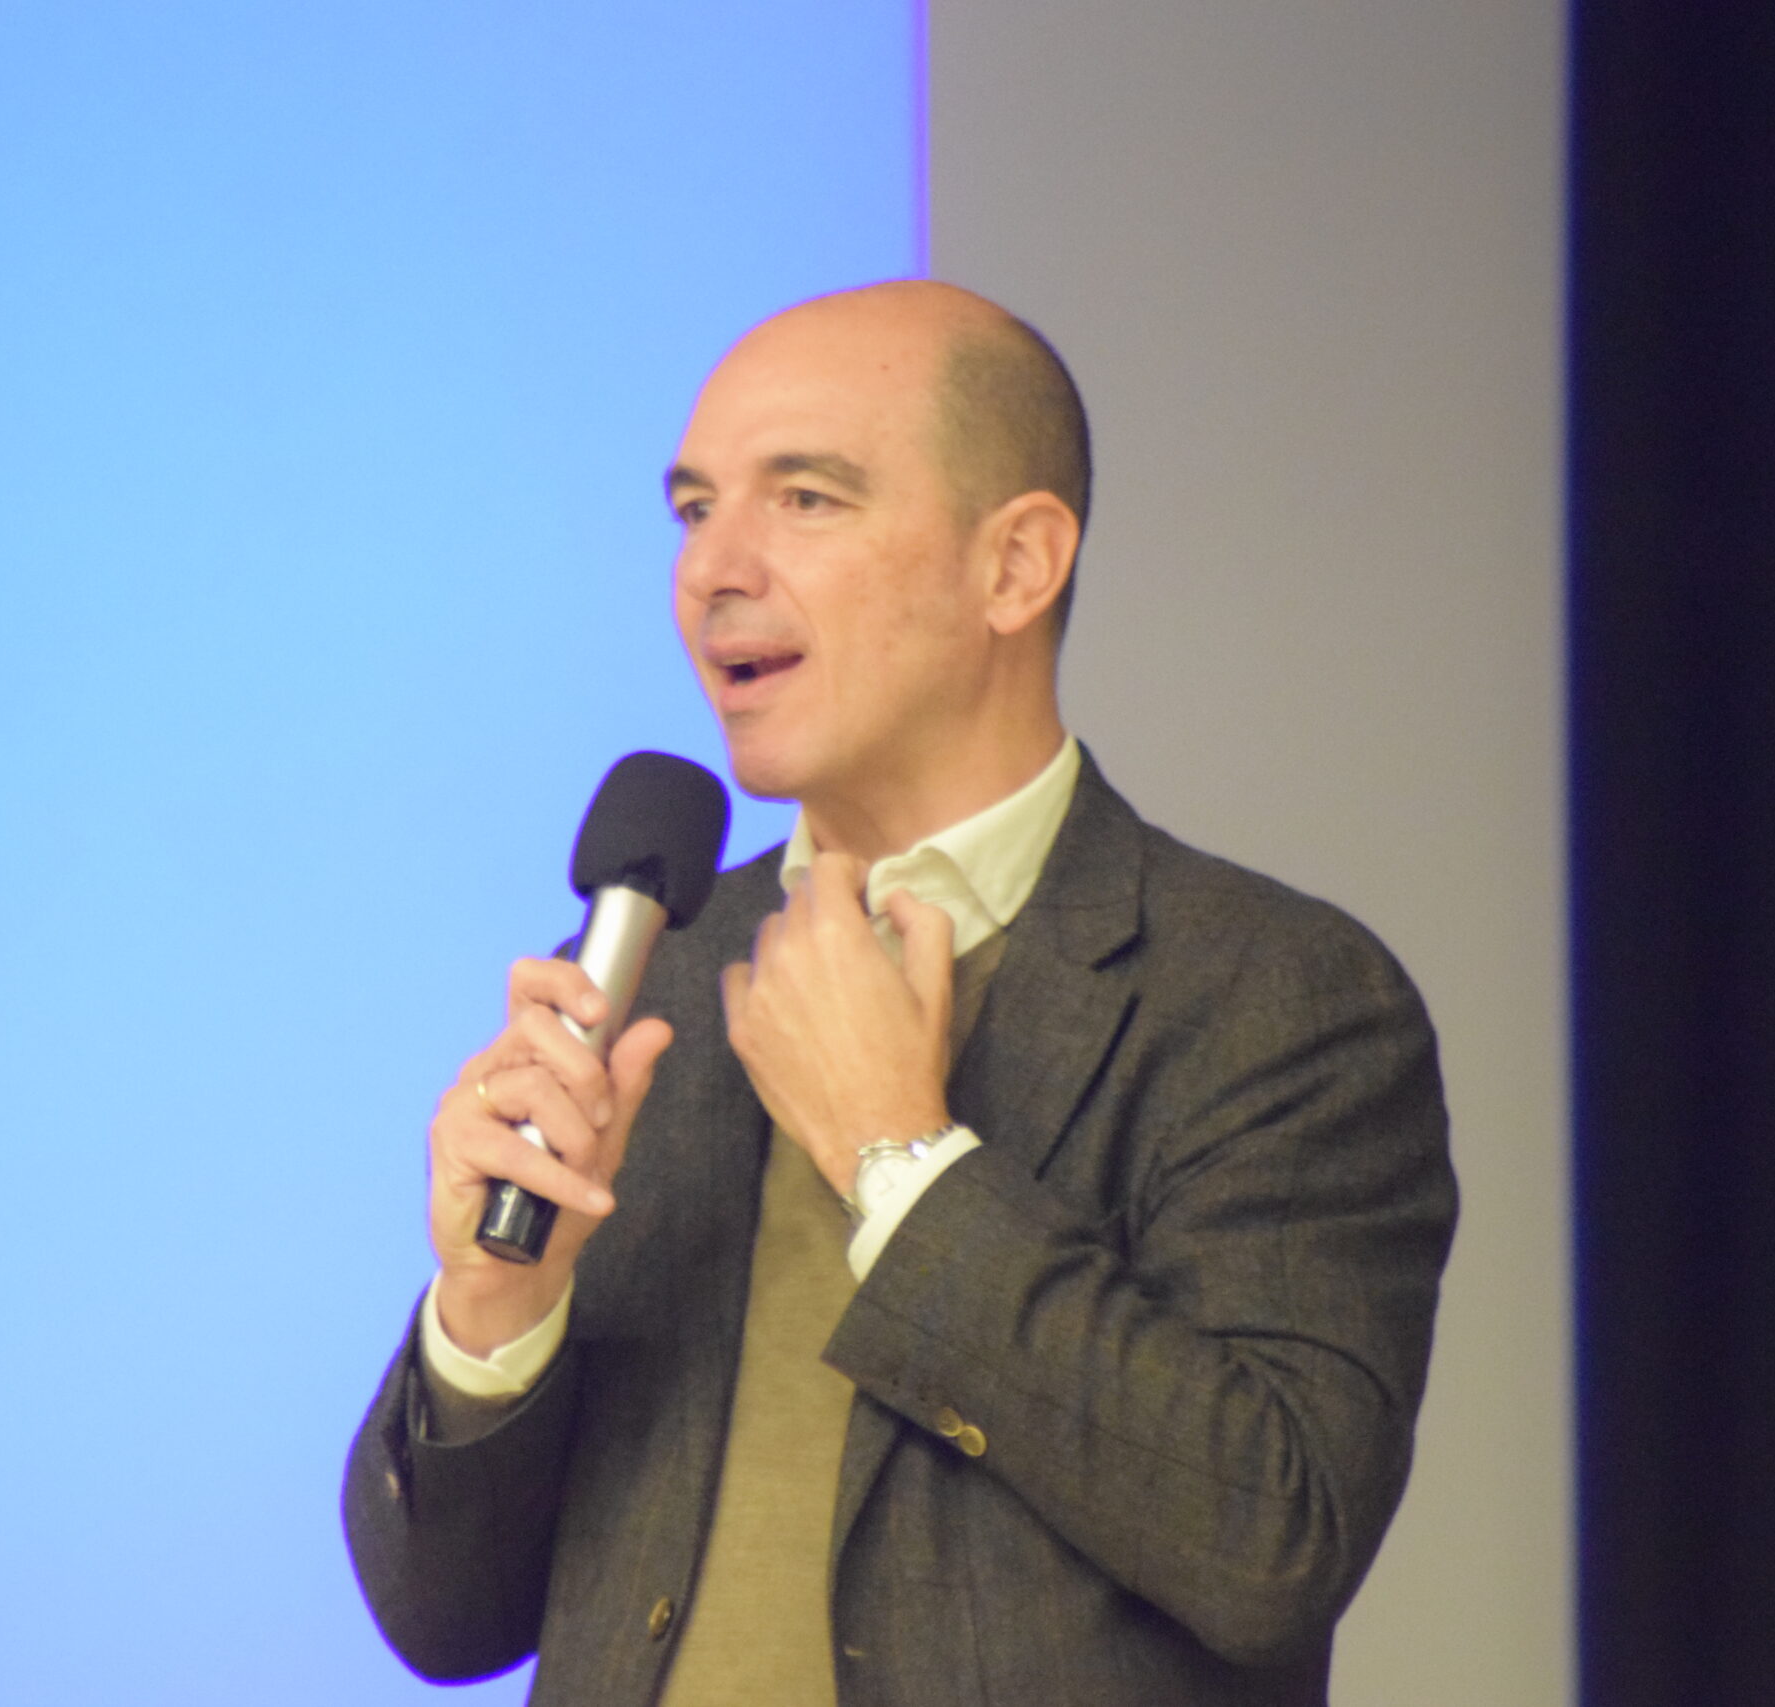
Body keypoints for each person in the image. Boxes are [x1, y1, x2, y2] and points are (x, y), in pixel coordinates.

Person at [342, 280, 1455, 1706]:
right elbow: (446, 1622)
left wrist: (899, 1158)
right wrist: (497, 1309)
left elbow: (1271, 1544)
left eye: (805, 500)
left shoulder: (1271, 997)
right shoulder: (656, 971)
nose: (713, 569)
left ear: (1016, 566)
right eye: (694, 510)